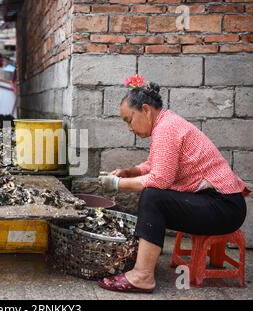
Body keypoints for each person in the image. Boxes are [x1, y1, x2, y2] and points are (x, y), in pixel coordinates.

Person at [97, 75, 248, 293]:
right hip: (217, 202)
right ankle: (143, 266)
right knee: (153, 194)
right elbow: (154, 164)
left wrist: (117, 184)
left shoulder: (167, 128)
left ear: (146, 110)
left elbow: (160, 179)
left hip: (225, 207)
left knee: (153, 196)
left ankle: (142, 276)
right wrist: (131, 172)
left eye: (128, 120)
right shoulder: (166, 123)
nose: (129, 128)